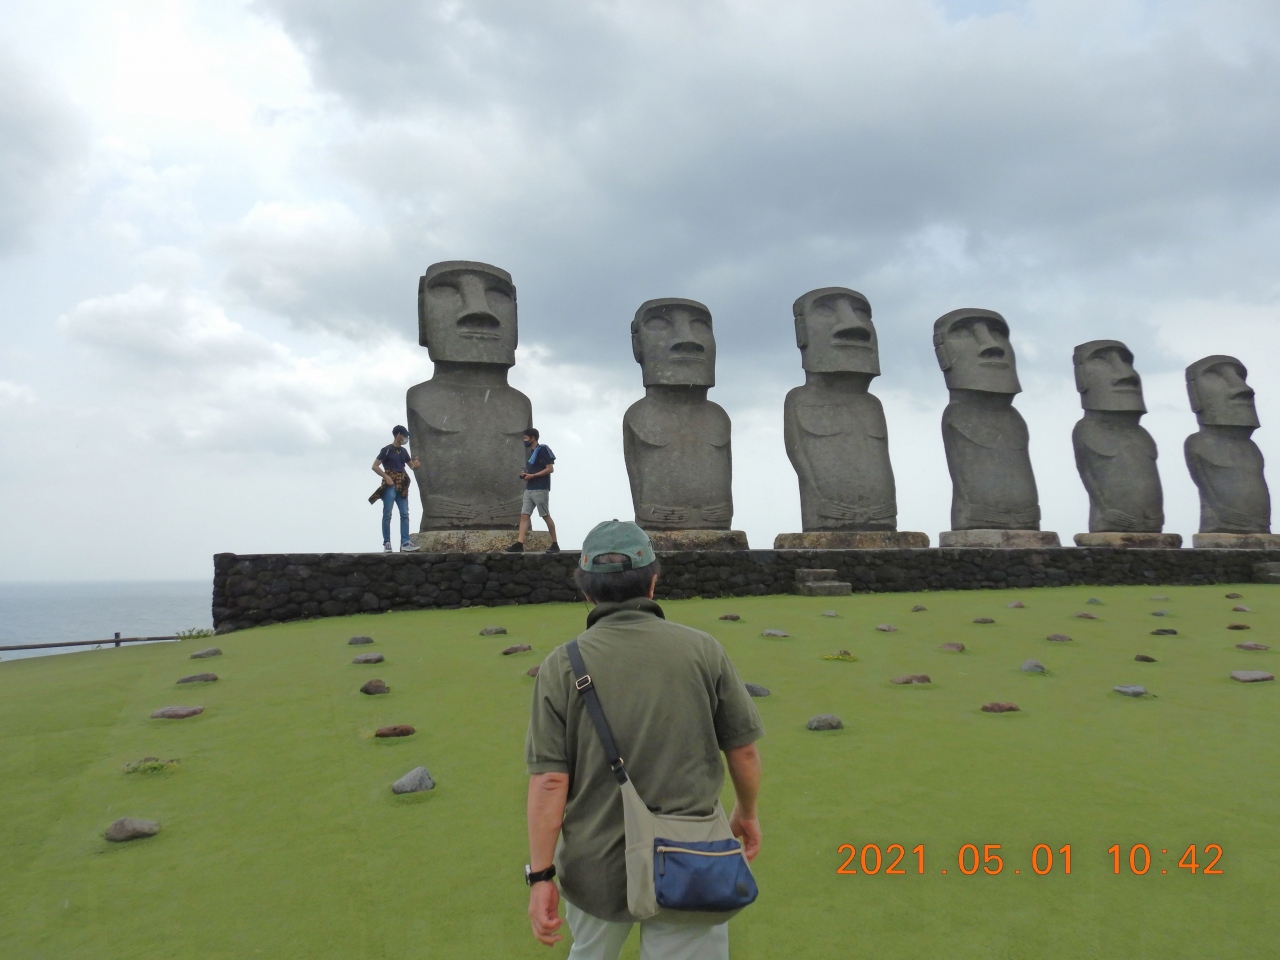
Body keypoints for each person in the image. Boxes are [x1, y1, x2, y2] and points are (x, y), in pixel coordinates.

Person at [524, 519, 764, 959]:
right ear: (653, 581)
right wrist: (746, 811)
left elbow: (550, 782)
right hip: (690, 857)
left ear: (586, 590)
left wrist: (541, 877)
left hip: (596, 865)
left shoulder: (562, 665)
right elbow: (743, 751)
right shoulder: (703, 650)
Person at [508, 428, 561, 553]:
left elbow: (550, 469)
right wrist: (525, 475)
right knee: (524, 515)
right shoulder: (530, 452)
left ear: (532, 438)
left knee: (545, 515)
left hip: (540, 488)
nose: (524, 441)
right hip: (530, 488)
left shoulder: (542, 449)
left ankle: (555, 544)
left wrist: (534, 476)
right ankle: (519, 544)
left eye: (526, 438)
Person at [370, 426, 420, 553]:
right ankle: (387, 542)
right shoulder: (387, 450)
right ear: (398, 434)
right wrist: (386, 477)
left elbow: (411, 467)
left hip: (401, 483)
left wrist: (416, 465)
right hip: (391, 483)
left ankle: (405, 542)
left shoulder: (403, 452)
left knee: (404, 513)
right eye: (404, 435)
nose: (405, 438)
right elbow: (375, 466)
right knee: (387, 514)